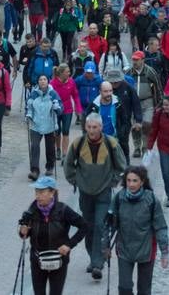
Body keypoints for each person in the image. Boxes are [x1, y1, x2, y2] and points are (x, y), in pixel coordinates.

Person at [64, 113, 127, 281]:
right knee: (88, 226)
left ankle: (97, 264)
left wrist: (113, 180)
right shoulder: (78, 143)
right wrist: (74, 179)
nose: (92, 130)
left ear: (101, 127)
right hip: (85, 193)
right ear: (85, 127)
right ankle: (93, 258)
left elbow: (122, 166)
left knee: (100, 225)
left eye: (95, 127)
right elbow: (68, 164)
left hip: (104, 192)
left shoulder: (111, 143)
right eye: (89, 127)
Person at [102, 165, 169, 295]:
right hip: (124, 250)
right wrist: (105, 246)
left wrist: (164, 252)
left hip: (146, 250)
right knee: (124, 289)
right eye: (128, 180)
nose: (131, 184)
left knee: (144, 290)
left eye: (135, 180)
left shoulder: (152, 200)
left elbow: (160, 227)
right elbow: (109, 224)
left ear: (142, 182)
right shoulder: (119, 198)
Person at [19, 175, 86, 295]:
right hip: (37, 259)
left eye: (41, 192)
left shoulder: (63, 210)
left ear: (52, 193)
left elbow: (84, 226)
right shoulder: (31, 211)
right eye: (36, 191)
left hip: (59, 259)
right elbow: (25, 233)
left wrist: (69, 245)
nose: (37, 195)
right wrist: (23, 231)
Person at [25, 74, 63, 179]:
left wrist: (57, 108)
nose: (42, 81)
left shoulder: (53, 93)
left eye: (44, 79)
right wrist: (28, 115)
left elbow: (60, 108)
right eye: (40, 79)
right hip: (36, 124)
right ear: (38, 82)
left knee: (50, 147)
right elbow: (29, 106)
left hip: (49, 124)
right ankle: (34, 170)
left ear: (48, 81)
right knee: (35, 146)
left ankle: (50, 166)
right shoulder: (33, 94)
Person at [127, 51, 162, 159]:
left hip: (147, 102)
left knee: (147, 124)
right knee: (135, 126)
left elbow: (158, 86)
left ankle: (145, 146)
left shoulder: (150, 72)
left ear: (143, 60)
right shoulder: (128, 73)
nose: (135, 62)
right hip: (133, 103)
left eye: (137, 60)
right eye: (133, 59)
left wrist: (160, 102)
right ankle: (137, 147)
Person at [51, 64, 83, 163]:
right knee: (57, 131)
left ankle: (65, 153)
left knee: (65, 131)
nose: (69, 73)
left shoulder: (71, 82)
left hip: (67, 109)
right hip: (56, 109)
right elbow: (50, 97)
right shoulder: (53, 83)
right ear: (61, 73)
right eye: (67, 72)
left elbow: (76, 96)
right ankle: (58, 150)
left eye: (69, 71)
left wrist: (78, 108)